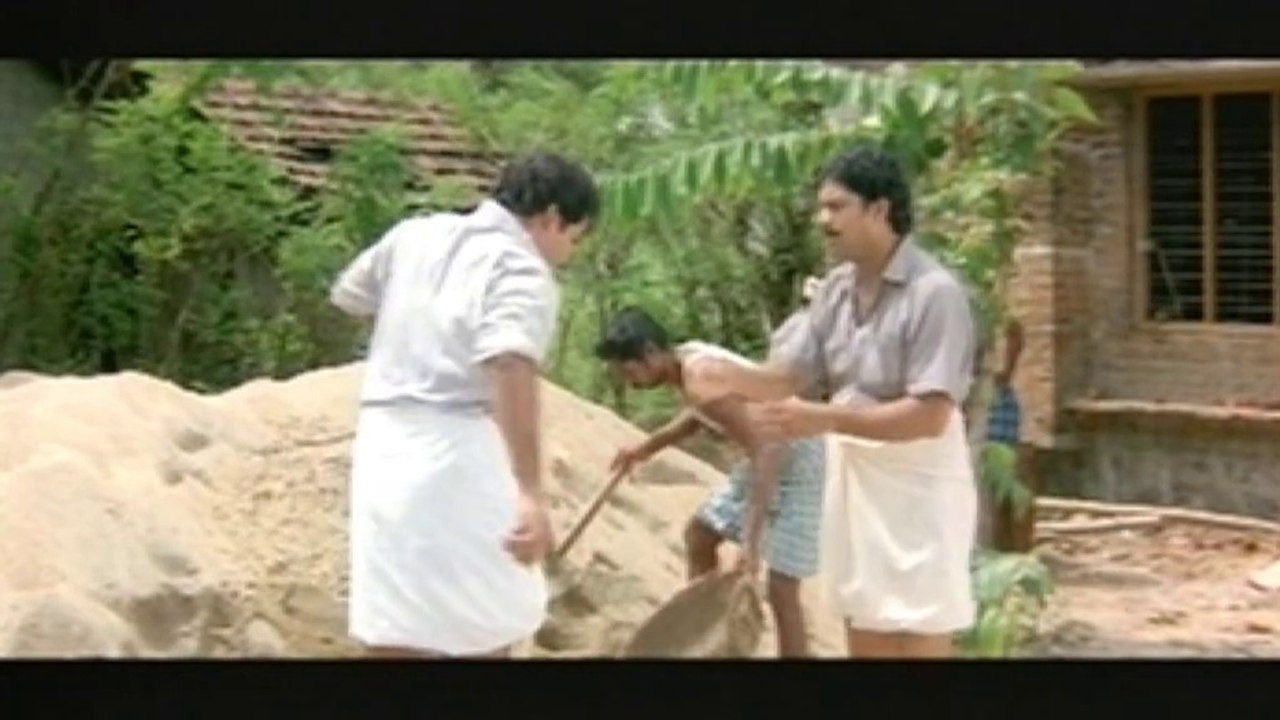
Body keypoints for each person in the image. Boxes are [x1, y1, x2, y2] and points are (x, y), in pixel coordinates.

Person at [688, 144, 980, 659]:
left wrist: (821, 418)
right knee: (863, 615)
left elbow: (930, 415)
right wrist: (729, 376)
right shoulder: (836, 290)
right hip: (856, 476)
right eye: (821, 207)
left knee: (919, 624)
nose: (823, 221)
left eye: (837, 207)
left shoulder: (934, 294)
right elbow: (789, 376)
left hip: (920, 483)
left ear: (879, 210)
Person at [329, 152, 600, 659]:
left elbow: (350, 296)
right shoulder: (519, 267)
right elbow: (510, 364)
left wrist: (413, 335)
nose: (567, 254)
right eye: (574, 239)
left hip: (383, 442)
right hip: (454, 444)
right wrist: (530, 491)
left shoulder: (414, 235)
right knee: (486, 611)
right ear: (552, 218)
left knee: (397, 612)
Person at [594, 302, 825, 658]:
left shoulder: (699, 376)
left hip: (798, 460)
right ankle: (704, 635)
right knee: (701, 535)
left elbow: (766, 450)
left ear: (650, 353)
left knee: (781, 586)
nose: (629, 381)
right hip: (767, 455)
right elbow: (700, 416)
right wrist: (644, 449)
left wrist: (751, 542)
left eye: (629, 371)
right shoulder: (688, 362)